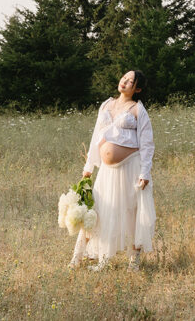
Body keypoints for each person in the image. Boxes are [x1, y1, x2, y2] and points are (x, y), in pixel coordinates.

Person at [69, 70, 156, 271]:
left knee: (131, 212)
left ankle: (133, 262)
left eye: (130, 81)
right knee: (98, 210)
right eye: (124, 78)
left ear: (138, 89)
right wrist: (88, 167)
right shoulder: (106, 105)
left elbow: (147, 143)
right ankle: (84, 257)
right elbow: (96, 137)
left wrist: (145, 173)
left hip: (130, 167)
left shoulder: (137, 110)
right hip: (107, 171)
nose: (124, 82)